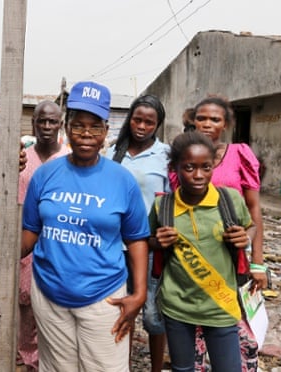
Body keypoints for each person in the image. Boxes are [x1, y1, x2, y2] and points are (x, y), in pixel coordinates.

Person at [21, 81, 150, 371]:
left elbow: (137, 239)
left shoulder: (121, 180)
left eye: (95, 127)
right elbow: (29, 232)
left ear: (106, 132)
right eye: (78, 126)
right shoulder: (45, 175)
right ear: (67, 128)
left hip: (104, 299)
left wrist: (139, 294)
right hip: (49, 295)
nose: (86, 135)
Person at [149, 130, 255, 372]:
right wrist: (158, 241)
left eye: (206, 167)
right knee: (182, 368)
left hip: (221, 304)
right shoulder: (162, 206)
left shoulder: (229, 200)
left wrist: (244, 237)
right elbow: (147, 240)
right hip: (178, 305)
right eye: (189, 167)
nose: (198, 175)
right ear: (174, 168)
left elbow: (252, 226)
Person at [187, 96, 267, 372]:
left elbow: (254, 210)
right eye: (202, 118)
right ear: (192, 121)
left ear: (225, 125)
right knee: (194, 333)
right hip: (191, 259)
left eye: (215, 119)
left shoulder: (239, 154)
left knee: (239, 333)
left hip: (232, 260)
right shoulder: (183, 156)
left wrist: (257, 263)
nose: (207, 124)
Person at [105, 94, 170, 372]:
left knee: (155, 316)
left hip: (153, 245)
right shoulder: (111, 153)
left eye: (149, 122)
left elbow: (173, 199)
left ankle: (156, 367)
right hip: (116, 246)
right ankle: (125, 365)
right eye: (137, 119)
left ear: (158, 125)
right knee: (124, 308)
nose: (141, 126)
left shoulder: (166, 155)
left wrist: (163, 236)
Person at [17, 100, 70, 372]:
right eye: (42, 121)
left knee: (57, 306)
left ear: (60, 124)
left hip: (61, 245)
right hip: (28, 242)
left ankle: (50, 362)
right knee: (25, 304)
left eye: (52, 121)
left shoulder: (70, 158)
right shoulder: (23, 159)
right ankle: (26, 360)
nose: (47, 127)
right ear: (33, 124)